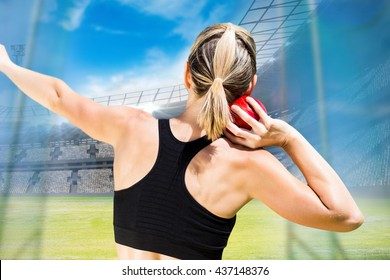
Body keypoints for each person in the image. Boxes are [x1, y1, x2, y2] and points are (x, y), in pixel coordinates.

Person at [0, 23, 363, 260]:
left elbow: (59, 97)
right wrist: (288, 137)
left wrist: (7, 65)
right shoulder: (249, 166)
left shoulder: (130, 127)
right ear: (249, 86)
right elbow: (346, 217)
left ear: (187, 73)